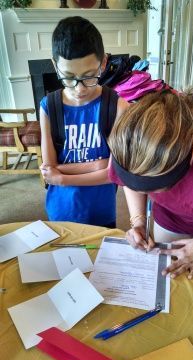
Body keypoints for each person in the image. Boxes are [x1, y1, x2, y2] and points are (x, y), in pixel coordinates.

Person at [108, 83, 193, 294]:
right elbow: (131, 181)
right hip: (169, 219)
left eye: (155, 189)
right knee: (167, 291)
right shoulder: (140, 123)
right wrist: (138, 221)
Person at [39, 16, 128, 227]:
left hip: (102, 212)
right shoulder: (48, 107)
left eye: (89, 76)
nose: (79, 88)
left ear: (103, 63)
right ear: (55, 65)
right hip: (60, 211)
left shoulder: (117, 106)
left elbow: (114, 173)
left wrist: (62, 177)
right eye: (68, 77)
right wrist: (98, 165)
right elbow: (48, 167)